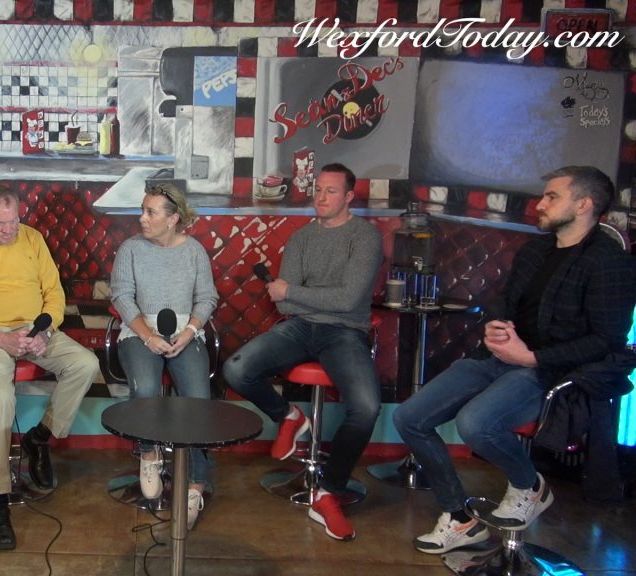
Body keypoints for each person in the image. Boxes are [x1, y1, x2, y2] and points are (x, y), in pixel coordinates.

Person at [393, 166, 636, 555]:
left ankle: (529, 485)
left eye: (552, 196)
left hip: (549, 370)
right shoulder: (537, 249)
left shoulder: (610, 262)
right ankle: (459, 518)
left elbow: (607, 340)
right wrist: (496, 325)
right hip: (499, 357)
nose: (540, 204)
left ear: (584, 204)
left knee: (476, 424)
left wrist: (532, 356)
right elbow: (504, 299)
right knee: (409, 417)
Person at [223, 163, 382, 541]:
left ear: (349, 196)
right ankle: (290, 416)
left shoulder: (365, 237)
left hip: (344, 331)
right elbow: (283, 305)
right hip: (299, 327)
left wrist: (293, 292)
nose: (321, 197)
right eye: (318, 190)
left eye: (331, 191)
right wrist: (295, 297)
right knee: (236, 370)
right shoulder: (301, 238)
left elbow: (347, 300)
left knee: (366, 408)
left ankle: (328, 492)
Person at [0, 186, 100, 551]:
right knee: (0, 397)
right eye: (1, 224)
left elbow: (54, 294)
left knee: (85, 364)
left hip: (35, 329)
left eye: (14, 220)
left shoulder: (32, 238)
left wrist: (45, 329)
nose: (10, 230)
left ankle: (39, 437)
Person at [110, 183, 219, 529]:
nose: (142, 218)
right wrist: (148, 336)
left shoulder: (195, 251)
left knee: (197, 401)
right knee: (145, 390)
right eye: (142, 210)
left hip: (186, 332)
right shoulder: (130, 249)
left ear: (173, 219)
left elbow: (207, 298)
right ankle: (149, 453)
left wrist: (189, 332)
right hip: (140, 332)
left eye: (150, 212)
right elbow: (121, 296)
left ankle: (195, 485)